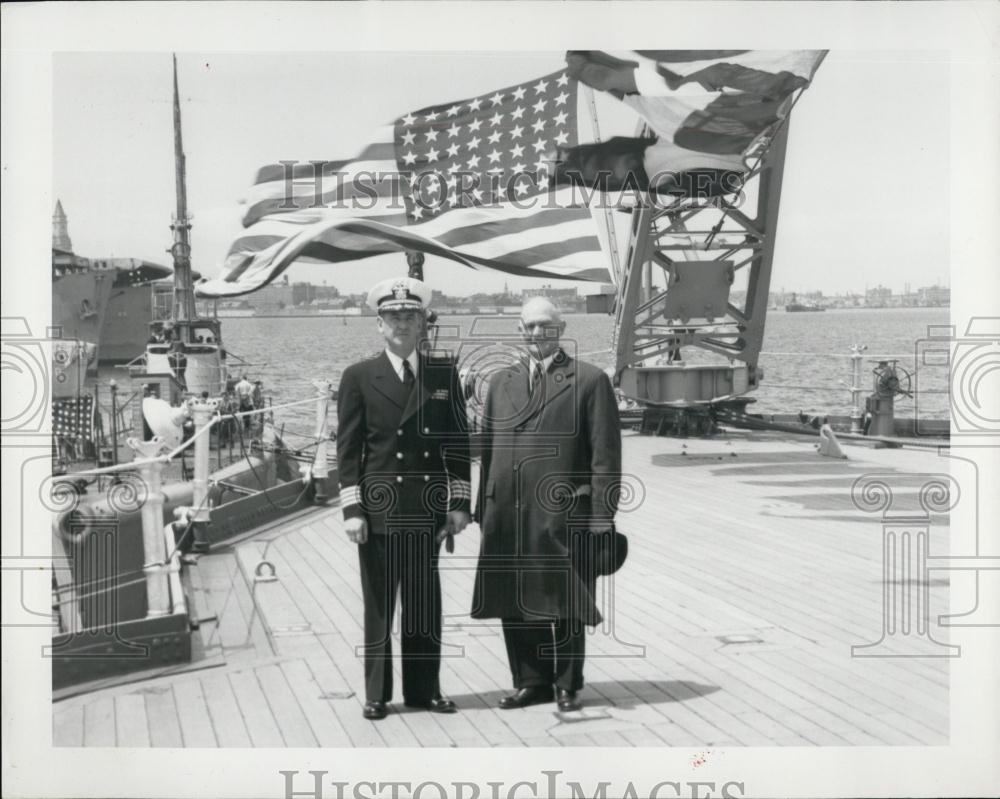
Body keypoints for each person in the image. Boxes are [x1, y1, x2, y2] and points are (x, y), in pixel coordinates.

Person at [471, 297, 622, 712]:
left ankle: (567, 682)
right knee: (514, 597)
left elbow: (605, 455)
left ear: (561, 328)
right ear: (520, 331)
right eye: (529, 326)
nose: (537, 333)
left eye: (545, 325)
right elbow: (487, 446)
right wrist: (485, 508)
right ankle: (530, 681)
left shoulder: (589, 381)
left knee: (566, 599)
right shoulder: (502, 381)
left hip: (563, 514)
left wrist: (601, 517)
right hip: (508, 513)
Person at [336, 276, 471, 721]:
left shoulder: (442, 374)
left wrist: (458, 503)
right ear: (379, 324)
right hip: (378, 513)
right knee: (379, 607)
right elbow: (349, 449)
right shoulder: (358, 377)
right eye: (393, 317)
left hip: (425, 511)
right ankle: (376, 693)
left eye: (409, 316)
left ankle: (424, 690)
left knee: (423, 605)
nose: (401, 324)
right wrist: (353, 510)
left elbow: (456, 443)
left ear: (422, 323)